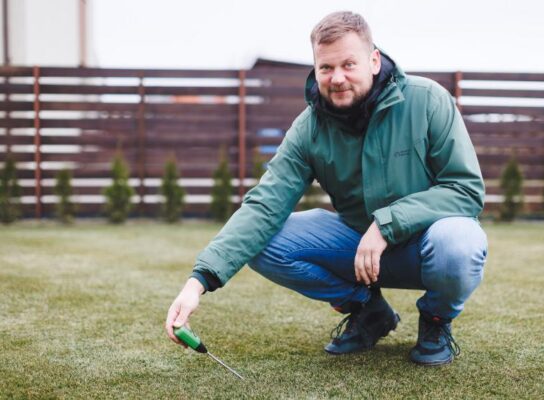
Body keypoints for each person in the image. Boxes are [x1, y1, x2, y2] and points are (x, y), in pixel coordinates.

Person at [166, 11, 488, 366]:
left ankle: (436, 321)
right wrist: (197, 282)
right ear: (316, 68)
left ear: (374, 60)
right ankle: (368, 309)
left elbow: (465, 190)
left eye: (349, 64)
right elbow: (264, 206)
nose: (337, 78)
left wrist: (387, 224)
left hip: (426, 243)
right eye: (326, 68)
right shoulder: (309, 127)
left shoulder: (428, 100)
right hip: (355, 246)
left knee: (461, 242)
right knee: (262, 241)